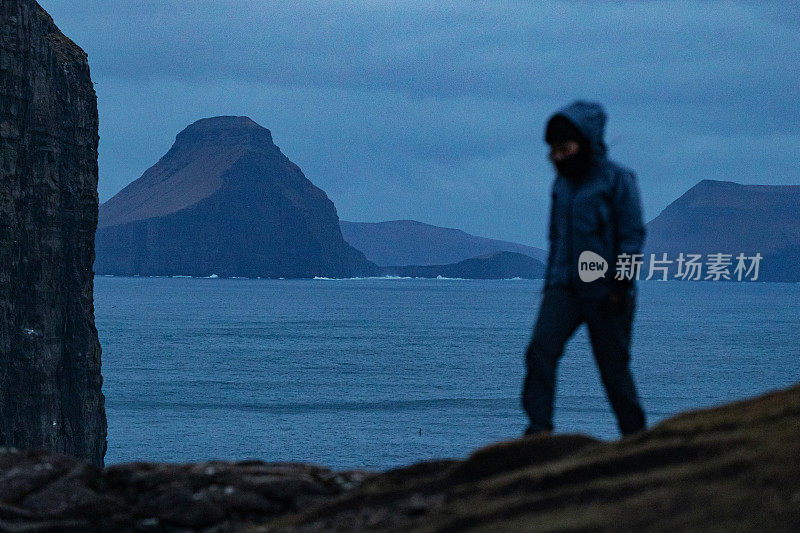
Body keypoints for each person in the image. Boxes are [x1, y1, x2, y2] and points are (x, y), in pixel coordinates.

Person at [521, 100, 647, 437]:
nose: (557, 156)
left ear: (586, 142)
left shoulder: (618, 180)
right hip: (564, 287)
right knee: (540, 351)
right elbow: (555, 237)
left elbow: (632, 235)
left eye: (565, 148)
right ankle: (539, 432)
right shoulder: (561, 186)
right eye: (553, 150)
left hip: (607, 289)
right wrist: (550, 284)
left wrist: (622, 284)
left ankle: (635, 438)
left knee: (613, 370)